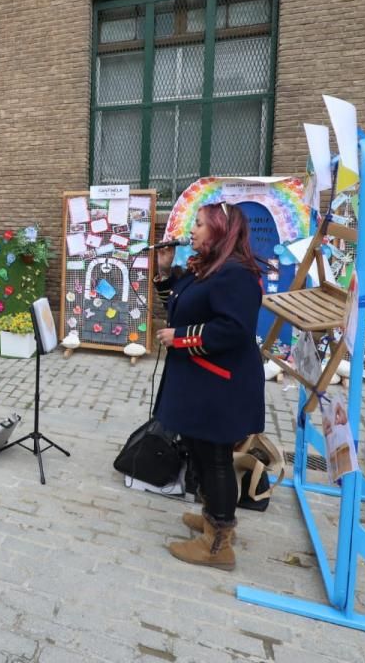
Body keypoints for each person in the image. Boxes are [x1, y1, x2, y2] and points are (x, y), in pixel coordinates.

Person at [152, 202, 264, 571]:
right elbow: (181, 306)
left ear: (219, 229)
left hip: (220, 386)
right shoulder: (207, 268)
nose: (192, 231)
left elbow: (234, 330)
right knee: (201, 452)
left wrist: (180, 338)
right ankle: (212, 516)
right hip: (201, 381)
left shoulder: (235, 275)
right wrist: (166, 271)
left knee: (215, 459)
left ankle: (218, 545)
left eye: (199, 224)